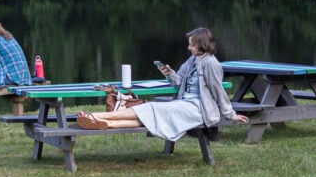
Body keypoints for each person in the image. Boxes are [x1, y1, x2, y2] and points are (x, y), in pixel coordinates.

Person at [76, 27, 248, 138]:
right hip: (184, 105)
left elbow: (218, 90)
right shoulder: (193, 60)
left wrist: (230, 114)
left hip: (197, 109)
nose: (189, 48)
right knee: (149, 116)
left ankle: (97, 116)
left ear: (201, 44)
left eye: (191, 45)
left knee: (151, 108)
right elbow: (179, 80)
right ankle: (105, 123)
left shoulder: (211, 63)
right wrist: (169, 73)